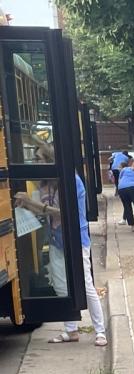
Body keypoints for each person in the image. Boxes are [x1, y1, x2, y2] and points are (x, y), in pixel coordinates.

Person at [15, 144, 107, 346]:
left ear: (50, 160)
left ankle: (100, 331)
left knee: (85, 284)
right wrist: (27, 204)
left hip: (75, 238)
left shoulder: (71, 181)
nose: (36, 163)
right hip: (56, 239)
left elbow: (63, 212)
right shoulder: (45, 184)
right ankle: (71, 329)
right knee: (61, 285)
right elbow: (44, 212)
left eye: (39, 159)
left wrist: (31, 202)